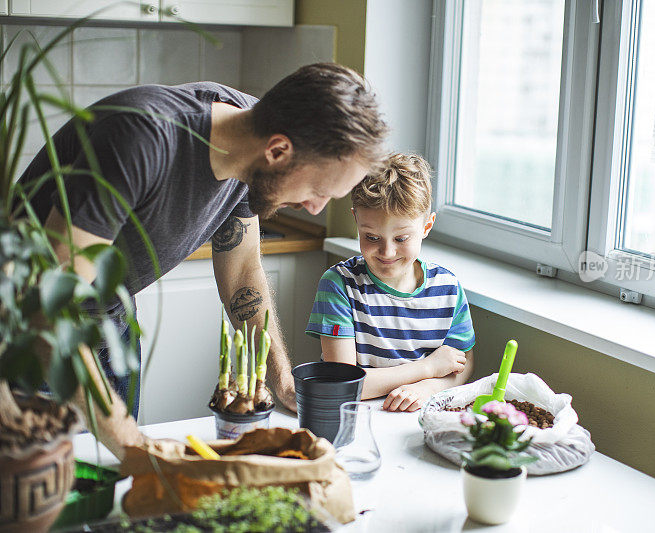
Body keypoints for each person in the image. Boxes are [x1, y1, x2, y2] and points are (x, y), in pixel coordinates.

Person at [19, 63, 388, 459]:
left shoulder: (257, 146)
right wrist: (132, 441)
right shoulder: (141, 138)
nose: (315, 209)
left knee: (117, 482)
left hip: (111, 320)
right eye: (319, 190)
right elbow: (45, 305)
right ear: (279, 151)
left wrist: (281, 380)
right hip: (26, 332)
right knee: (41, 492)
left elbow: (243, 269)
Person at [305, 153, 475, 412]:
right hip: (356, 418)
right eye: (371, 237)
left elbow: (461, 364)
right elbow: (342, 384)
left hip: (419, 416)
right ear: (356, 221)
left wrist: (428, 388)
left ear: (427, 226)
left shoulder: (448, 289)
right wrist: (427, 368)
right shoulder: (339, 285)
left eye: (401, 238)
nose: (387, 252)